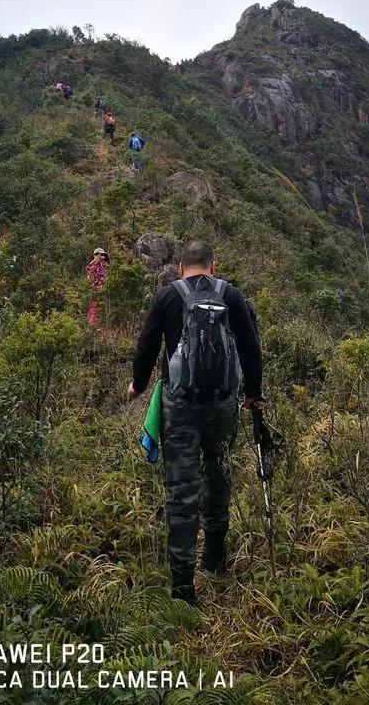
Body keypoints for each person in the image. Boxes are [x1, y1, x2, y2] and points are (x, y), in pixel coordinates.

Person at [128, 240, 263, 604]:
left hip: (180, 408)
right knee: (219, 478)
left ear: (180, 268)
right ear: (212, 266)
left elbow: (146, 345)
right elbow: (250, 346)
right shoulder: (231, 295)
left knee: (182, 492)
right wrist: (253, 392)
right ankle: (215, 560)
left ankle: (183, 590)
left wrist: (137, 384)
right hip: (223, 406)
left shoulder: (167, 296)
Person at [85, 247, 109, 324]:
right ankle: (91, 324)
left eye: (103, 255)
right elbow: (89, 278)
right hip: (95, 289)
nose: (103, 257)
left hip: (102, 289)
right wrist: (96, 287)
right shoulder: (92, 265)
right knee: (94, 306)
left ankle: (95, 323)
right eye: (101, 255)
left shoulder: (102, 265)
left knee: (99, 307)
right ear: (96, 255)